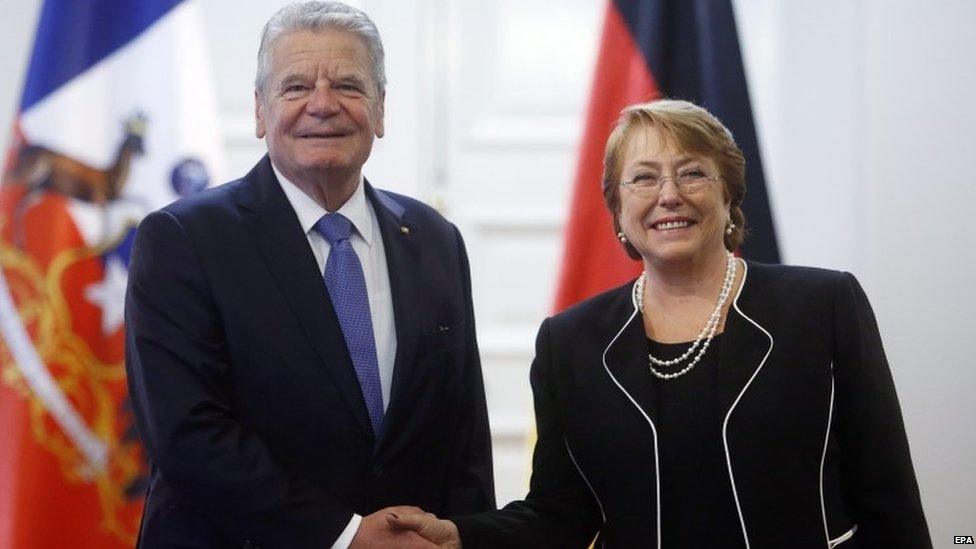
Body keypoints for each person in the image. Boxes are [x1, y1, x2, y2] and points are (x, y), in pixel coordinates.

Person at [389, 99, 931, 548]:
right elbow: (562, 511)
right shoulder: (571, 342)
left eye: (692, 172)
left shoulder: (822, 306)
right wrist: (461, 535)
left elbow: (888, 494)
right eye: (643, 178)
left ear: (729, 195)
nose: (669, 194)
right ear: (618, 211)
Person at [124, 2, 494, 547]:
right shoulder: (183, 239)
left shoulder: (435, 238)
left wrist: (467, 537)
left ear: (381, 108)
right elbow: (187, 436)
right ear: (259, 111)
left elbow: (462, 434)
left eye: (348, 84)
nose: (322, 105)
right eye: (296, 87)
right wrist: (344, 536)